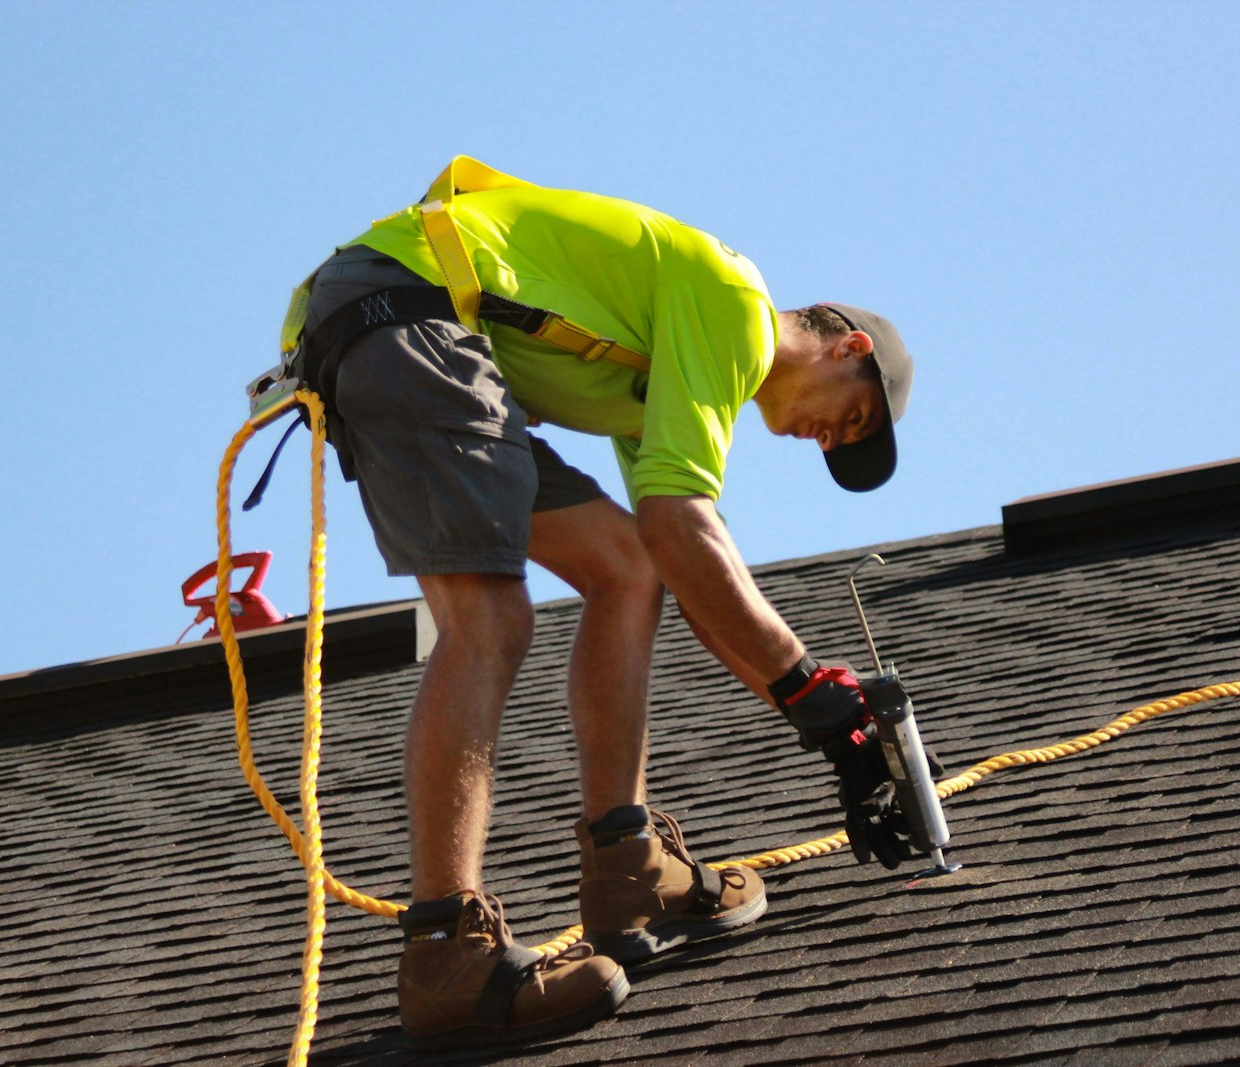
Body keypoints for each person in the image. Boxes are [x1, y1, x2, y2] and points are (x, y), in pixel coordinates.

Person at [289, 157, 916, 1050]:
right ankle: (444, 956)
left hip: (416, 336)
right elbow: (685, 520)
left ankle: (628, 867)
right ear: (848, 346)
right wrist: (819, 696)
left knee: (626, 568)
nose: (827, 439)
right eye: (850, 418)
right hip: (407, 318)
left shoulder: (663, 372)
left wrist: (812, 707)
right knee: (490, 621)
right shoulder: (732, 299)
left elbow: (678, 552)